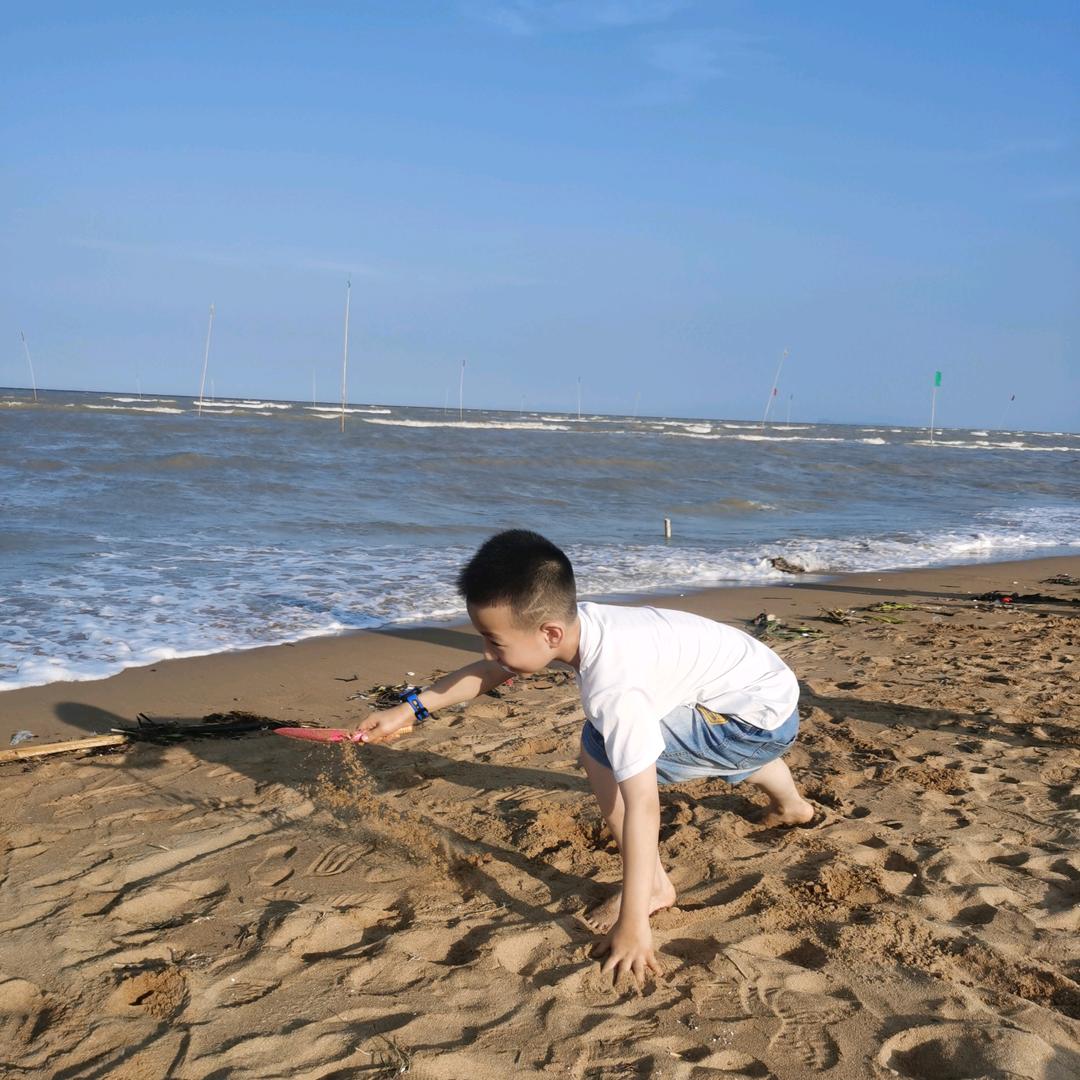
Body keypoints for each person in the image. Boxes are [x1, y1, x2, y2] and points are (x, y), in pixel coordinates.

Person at [357, 530, 813, 987]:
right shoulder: (584, 624)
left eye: (494, 641)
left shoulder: (614, 688)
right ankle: (791, 805)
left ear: (550, 633)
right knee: (642, 739)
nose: (487, 652)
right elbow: (495, 668)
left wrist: (634, 924)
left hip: (750, 724)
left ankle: (654, 888)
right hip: (767, 702)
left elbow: (643, 805)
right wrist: (408, 710)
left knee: (598, 746)